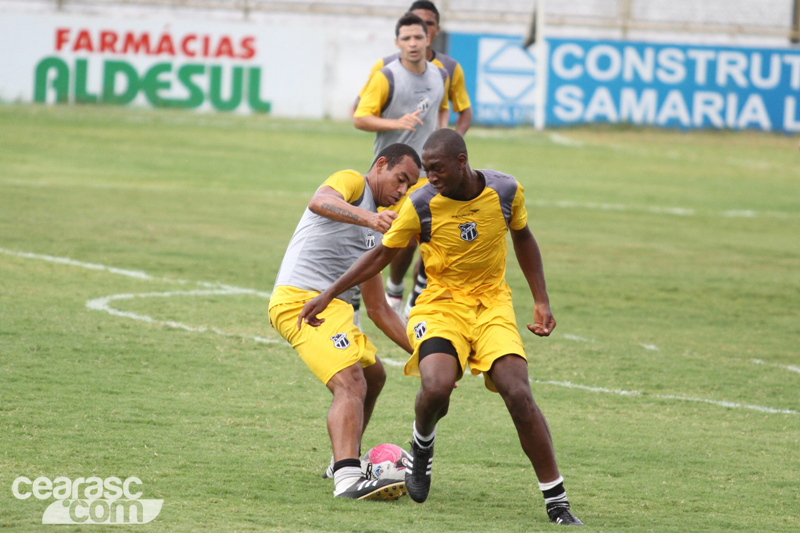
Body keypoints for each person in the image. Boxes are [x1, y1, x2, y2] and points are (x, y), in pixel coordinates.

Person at [298, 129, 585, 525]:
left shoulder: (505, 190)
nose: (429, 178)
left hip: (492, 307)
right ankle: (422, 446)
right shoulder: (421, 204)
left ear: (462, 162)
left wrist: (541, 299)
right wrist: (329, 293)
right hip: (439, 306)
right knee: (435, 386)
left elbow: (523, 237)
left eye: (436, 169)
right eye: (424, 172)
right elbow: (383, 253)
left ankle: (557, 501)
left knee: (517, 391)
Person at [268, 143, 422, 500]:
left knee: (374, 374)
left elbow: (379, 309)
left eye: (408, 186)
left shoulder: (379, 232)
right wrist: (369, 218)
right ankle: (348, 479)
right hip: (298, 301)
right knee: (351, 383)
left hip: (331, 307)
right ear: (381, 165)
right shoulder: (353, 182)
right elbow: (319, 200)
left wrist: (424, 353)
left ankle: (342, 459)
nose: (401, 191)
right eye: (400, 179)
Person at [357, 1, 474, 319]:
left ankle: (420, 293)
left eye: (421, 34)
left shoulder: (444, 72)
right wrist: (395, 122)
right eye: (407, 37)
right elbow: (360, 113)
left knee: (437, 234)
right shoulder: (386, 73)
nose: (414, 42)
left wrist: (445, 138)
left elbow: (445, 108)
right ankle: (392, 289)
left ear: (431, 35)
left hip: (431, 172)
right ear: (398, 41)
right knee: (399, 239)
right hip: (395, 172)